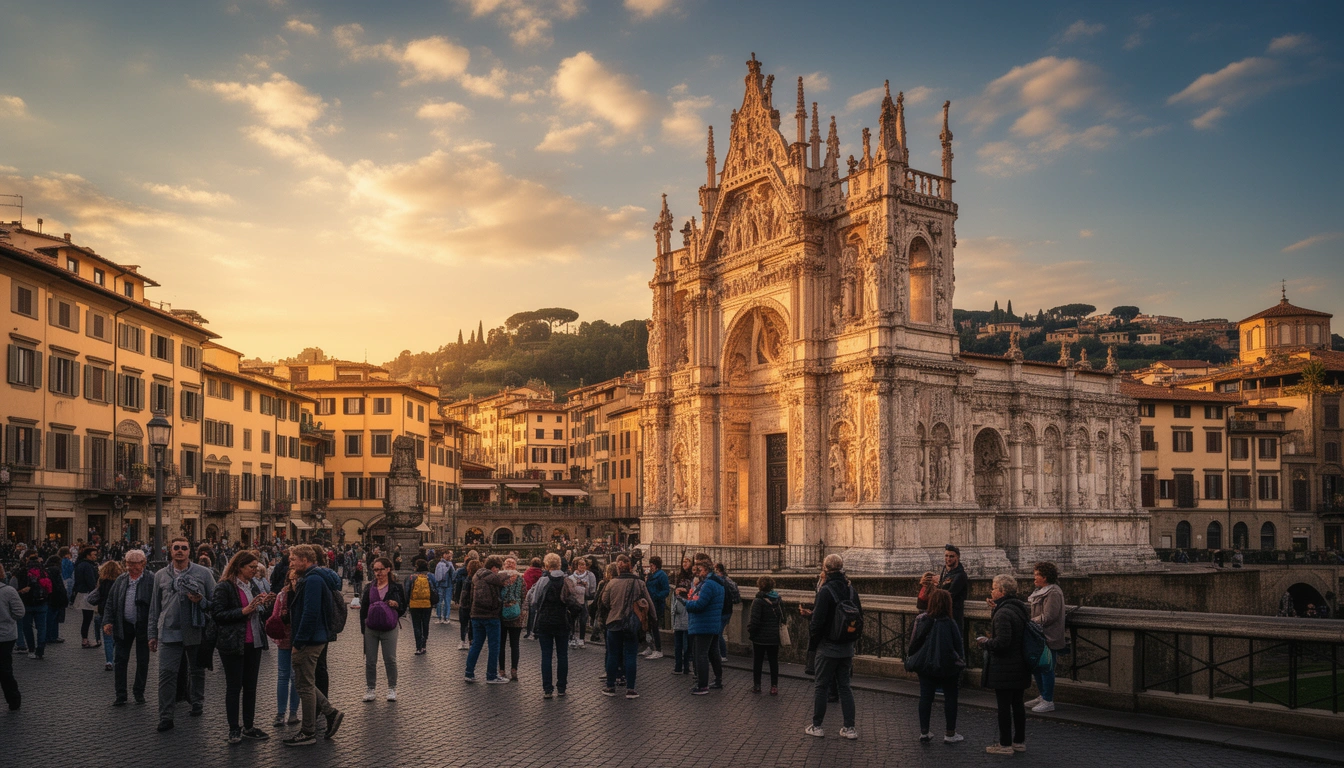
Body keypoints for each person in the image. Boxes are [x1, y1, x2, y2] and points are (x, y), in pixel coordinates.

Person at [148, 536, 217, 732]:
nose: (180, 551)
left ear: (189, 551)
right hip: (169, 631)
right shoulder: (160, 575)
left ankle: (197, 702)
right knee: (166, 674)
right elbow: (154, 608)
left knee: (197, 670)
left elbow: (215, 604)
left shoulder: (204, 573)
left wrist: (200, 600)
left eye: (184, 548)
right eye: (176, 547)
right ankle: (166, 716)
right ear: (170, 551)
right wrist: (152, 634)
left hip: (196, 630)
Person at [284, 544, 344, 747]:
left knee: (304, 685)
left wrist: (298, 642)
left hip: (309, 640)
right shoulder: (315, 578)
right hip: (316, 637)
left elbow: (310, 614)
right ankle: (330, 713)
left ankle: (309, 730)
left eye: (293, 559)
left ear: (305, 560)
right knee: (307, 683)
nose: (290, 563)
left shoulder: (312, 580)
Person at [211, 551, 274, 744]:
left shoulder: (252, 585)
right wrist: (243, 611)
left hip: (253, 641)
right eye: (251, 567)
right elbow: (218, 614)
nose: (255, 571)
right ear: (239, 567)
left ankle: (248, 725)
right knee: (234, 686)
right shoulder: (225, 587)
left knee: (251, 687)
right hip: (234, 643)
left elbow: (258, 611)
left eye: (256, 567)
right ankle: (233, 728)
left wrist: (264, 604)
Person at [806, 553, 861, 740]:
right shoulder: (851, 590)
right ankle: (850, 728)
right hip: (847, 647)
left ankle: (817, 726)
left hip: (827, 647)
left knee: (821, 686)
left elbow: (817, 623)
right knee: (845, 687)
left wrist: (814, 639)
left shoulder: (826, 591)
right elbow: (859, 616)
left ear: (825, 569)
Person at [978, 574, 1030, 755]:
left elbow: (1002, 643)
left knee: (1004, 708)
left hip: (1005, 667)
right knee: (1017, 705)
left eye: (993, 588)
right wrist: (995, 610)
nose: (991, 591)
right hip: (1020, 665)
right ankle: (1019, 742)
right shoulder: (1019, 608)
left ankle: (1005, 744)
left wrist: (985, 642)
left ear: (1001, 591)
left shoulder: (1003, 613)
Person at [908, 588, 964, 744]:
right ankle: (950, 733)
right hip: (947, 666)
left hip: (925, 665)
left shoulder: (921, 619)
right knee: (951, 697)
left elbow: (913, 643)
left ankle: (924, 732)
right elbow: (958, 646)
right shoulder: (951, 622)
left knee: (925, 697)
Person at [598, 554, 652, 699]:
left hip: (614, 622)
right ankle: (631, 689)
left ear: (618, 568)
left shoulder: (611, 583)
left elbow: (604, 601)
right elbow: (648, 603)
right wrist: (652, 620)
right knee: (630, 655)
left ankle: (610, 686)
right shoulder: (639, 583)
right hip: (631, 623)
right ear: (630, 566)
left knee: (613, 654)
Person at [102, 550, 152, 706]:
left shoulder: (151, 579)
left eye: (135, 563)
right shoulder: (121, 579)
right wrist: (107, 621)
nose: (131, 567)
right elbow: (111, 602)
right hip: (123, 624)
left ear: (143, 563)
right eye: (128, 563)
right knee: (120, 659)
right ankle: (121, 694)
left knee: (143, 660)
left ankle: (139, 692)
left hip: (143, 625)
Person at [527, 553, 580, 698]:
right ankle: (561, 688)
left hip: (545, 621)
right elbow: (574, 598)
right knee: (562, 655)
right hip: (562, 621)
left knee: (546, 656)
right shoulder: (567, 580)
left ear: (546, 565)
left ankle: (547, 689)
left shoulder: (543, 580)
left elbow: (533, 601)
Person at [464, 555, 517, 684]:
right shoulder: (493, 577)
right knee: (494, 646)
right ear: (493, 568)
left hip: (476, 615)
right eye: (498, 568)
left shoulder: (477, 576)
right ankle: (491, 675)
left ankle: (469, 673)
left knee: (476, 644)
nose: (498, 571)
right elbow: (503, 577)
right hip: (491, 616)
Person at [361, 557, 406, 701]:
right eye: (375, 570)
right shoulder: (369, 587)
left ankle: (392, 688)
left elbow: (404, 607)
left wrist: (396, 605)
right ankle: (370, 688)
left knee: (390, 659)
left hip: (389, 627)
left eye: (380, 569)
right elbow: (363, 609)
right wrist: (364, 628)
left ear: (388, 569)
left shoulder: (396, 587)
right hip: (371, 628)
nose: (378, 572)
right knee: (370, 660)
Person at [1026, 562, 1066, 714]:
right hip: (1039, 635)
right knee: (1038, 666)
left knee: (1047, 668)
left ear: (1045, 577)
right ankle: (1042, 696)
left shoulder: (1054, 592)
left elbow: (1049, 616)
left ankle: (1048, 700)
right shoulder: (1041, 591)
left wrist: (1030, 622)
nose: (1034, 577)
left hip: (1049, 636)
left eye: (1037, 574)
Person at [264, 568, 301, 727]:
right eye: (292, 579)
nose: (295, 582)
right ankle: (280, 713)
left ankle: (293, 712)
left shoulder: (304, 595)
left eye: (298, 579)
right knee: (283, 676)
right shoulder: (282, 595)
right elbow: (274, 618)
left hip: (299, 642)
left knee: (295, 677)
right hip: (285, 640)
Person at [685, 556, 725, 695]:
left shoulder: (708, 584)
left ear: (706, 569)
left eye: (700, 569)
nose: (697, 572)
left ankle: (702, 685)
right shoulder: (718, 583)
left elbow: (700, 604)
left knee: (700, 654)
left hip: (703, 623)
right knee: (714, 653)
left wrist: (687, 603)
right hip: (712, 623)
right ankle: (718, 680)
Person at [747, 575, 783, 695]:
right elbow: (783, 617)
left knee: (758, 662)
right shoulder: (778, 600)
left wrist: (751, 631)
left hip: (760, 637)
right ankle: (774, 686)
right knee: (773, 662)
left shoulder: (758, 601)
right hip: (774, 636)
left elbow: (755, 621)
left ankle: (757, 685)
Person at [15, 552, 51, 659]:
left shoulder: (22, 572)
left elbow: (18, 588)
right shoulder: (43, 572)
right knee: (42, 627)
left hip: (27, 603)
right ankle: (40, 649)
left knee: (27, 627)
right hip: (42, 602)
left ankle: (31, 649)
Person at [0, 563, 24, 710]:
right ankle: (13, 699)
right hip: (5, 635)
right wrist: (8, 618)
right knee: (5, 669)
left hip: (5, 634)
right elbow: (19, 612)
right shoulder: (8, 591)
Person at [497, 556, 525, 682]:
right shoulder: (520, 579)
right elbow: (524, 595)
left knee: (501, 644)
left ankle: (501, 671)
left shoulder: (498, 578)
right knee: (515, 645)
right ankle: (514, 670)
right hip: (516, 614)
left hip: (501, 614)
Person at [95, 559, 124, 671]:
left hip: (104, 610)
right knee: (117, 637)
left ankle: (109, 661)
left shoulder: (102, 581)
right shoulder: (120, 581)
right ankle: (115, 658)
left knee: (107, 638)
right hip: (117, 611)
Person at [405, 558, 437, 656]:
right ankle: (424, 644)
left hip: (414, 605)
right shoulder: (430, 576)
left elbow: (406, 591)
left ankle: (418, 647)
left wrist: (407, 604)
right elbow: (435, 588)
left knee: (416, 626)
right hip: (427, 604)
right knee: (425, 624)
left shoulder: (411, 577)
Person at [73, 546, 101, 648]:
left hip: (82, 593)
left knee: (87, 618)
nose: (95, 557)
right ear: (87, 555)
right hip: (87, 594)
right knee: (88, 618)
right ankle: (85, 640)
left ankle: (85, 639)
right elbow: (91, 581)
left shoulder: (80, 564)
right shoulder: (87, 566)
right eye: (94, 555)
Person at [642, 555, 669, 659]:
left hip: (656, 604)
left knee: (654, 627)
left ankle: (658, 649)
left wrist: (656, 596)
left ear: (656, 565)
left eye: (652, 565)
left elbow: (666, 591)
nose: (650, 567)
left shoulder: (662, 575)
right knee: (647, 626)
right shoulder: (650, 575)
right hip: (649, 603)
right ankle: (650, 646)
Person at [566, 557, 597, 648]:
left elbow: (592, 590)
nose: (582, 566)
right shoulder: (571, 577)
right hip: (574, 602)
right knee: (572, 620)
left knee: (583, 620)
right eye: (580, 564)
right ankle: (572, 638)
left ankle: (581, 639)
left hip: (584, 601)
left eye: (584, 564)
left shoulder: (590, 575)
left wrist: (586, 587)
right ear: (576, 566)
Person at [938, 544, 969, 630]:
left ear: (957, 557)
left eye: (951, 556)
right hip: (944, 613)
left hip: (953, 615)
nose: (948, 559)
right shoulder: (945, 572)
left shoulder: (960, 575)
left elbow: (950, 594)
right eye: (946, 556)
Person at [714, 563, 740, 659]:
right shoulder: (729, 580)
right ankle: (721, 654)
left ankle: (723, 654)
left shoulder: (721, 582)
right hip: (727, 610)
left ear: (717, 570)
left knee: (718, 633)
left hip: (723, 611)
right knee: (718, 633)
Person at [456, 559, 479, 650]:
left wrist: (457, 599)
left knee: (463, 624)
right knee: (472, 624)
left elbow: (460, 589)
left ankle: (463, 641)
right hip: (474, 605)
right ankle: (471, 640)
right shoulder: (479, 579)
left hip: (464, 605)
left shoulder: (466, 578)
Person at [671, 584, 691, 675]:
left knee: (678, 647)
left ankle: (678, 667)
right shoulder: (689, 599)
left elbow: (674, 611)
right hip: (686, 625)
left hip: (679, 625)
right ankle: (686, 668)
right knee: (686, 648)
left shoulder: (677, 600)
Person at [434, 551, 455, 625]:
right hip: (448, 585)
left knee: (439, 602)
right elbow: (453, 576)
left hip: (440, 585)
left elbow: (436, 575)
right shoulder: (450, 564)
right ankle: (446, 618)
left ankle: (439, 617)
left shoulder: (439, 564)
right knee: (447, 602)